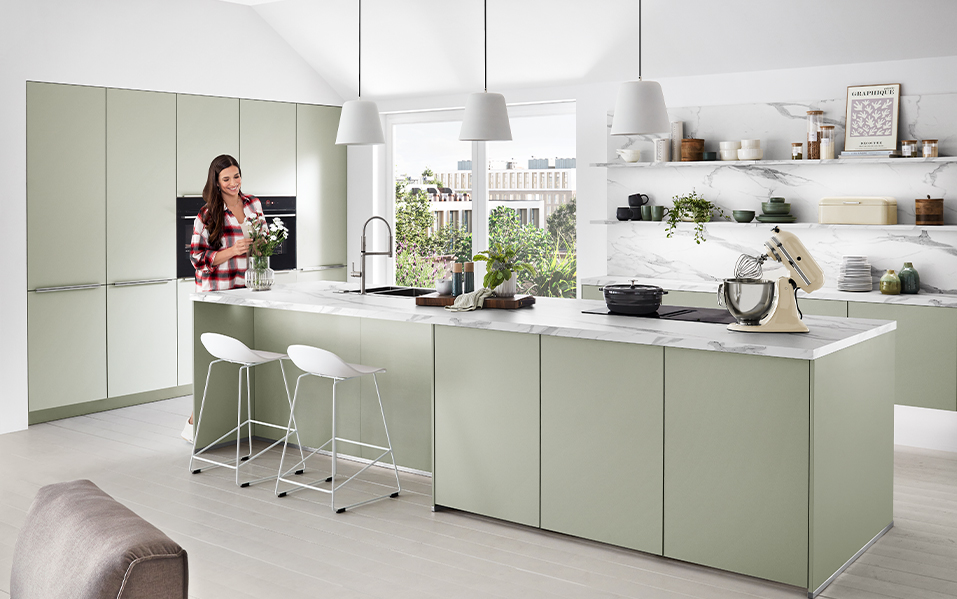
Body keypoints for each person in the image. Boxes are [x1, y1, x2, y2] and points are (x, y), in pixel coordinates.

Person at [182, 154, 263, 442]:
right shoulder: (206, 215)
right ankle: (196, 421)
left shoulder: (253, 204)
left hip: (247, 289)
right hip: (215, 294)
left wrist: (263, 244)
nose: (233, 183)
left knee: (238, 357)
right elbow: (196, 258)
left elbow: (263, 242)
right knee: (213, 359)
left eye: (236, 176)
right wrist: (233, 250)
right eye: (226, 179)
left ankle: (223, 421)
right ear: (216, 183)